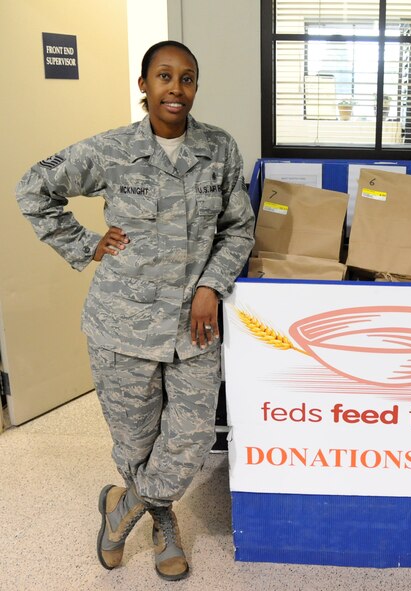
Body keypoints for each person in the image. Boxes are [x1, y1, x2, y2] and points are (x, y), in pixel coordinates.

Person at [15, 40, 255, 582]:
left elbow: (239, 228)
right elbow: (33, 188)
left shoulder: (219, 148)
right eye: (164, 77)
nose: (177, 88)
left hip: (194, 327)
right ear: (143, 85)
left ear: (196, 87)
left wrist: (211, 286)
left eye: (187, 78)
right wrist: (85, 245)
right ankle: (163, 517)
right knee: (136, 440)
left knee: (193, 437)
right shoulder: (111, 150)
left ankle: (123, 507)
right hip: (122, 325)